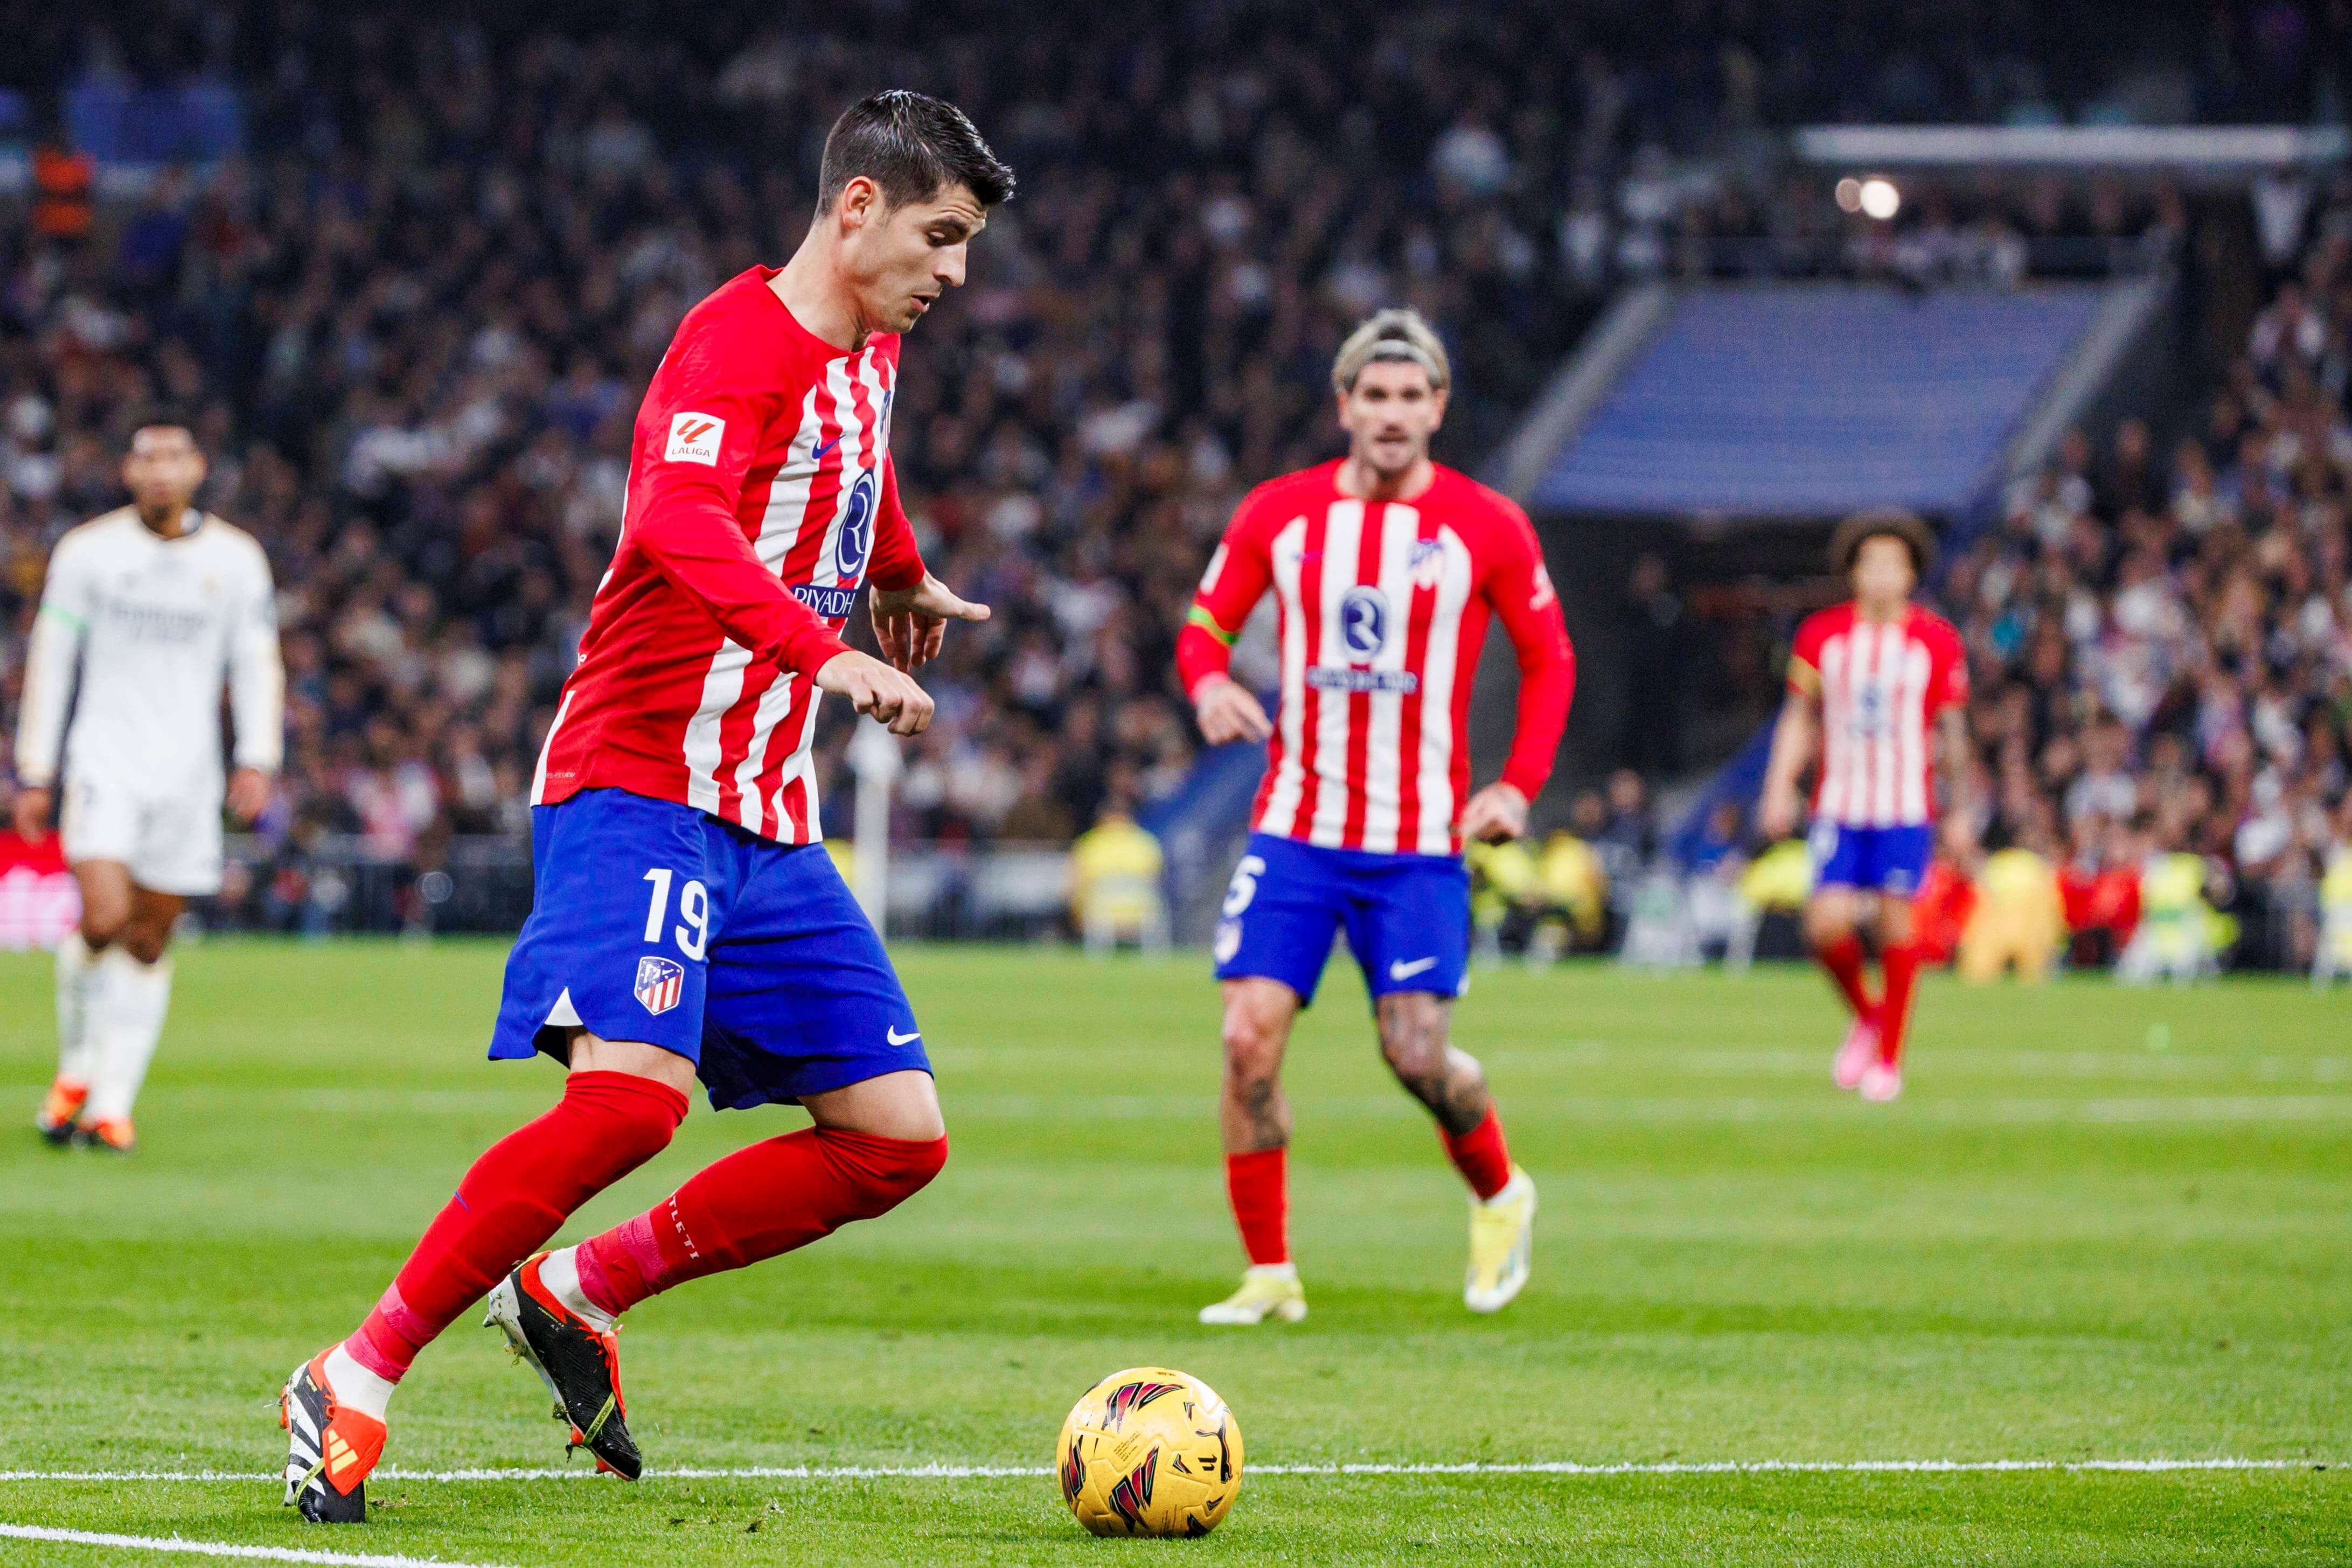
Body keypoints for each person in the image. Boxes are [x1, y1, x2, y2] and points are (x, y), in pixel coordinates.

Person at [279, 91, 1011, 1524]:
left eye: (967, 243)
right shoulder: (733, 343)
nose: (956, 271)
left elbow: (857, 465)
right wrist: (826, 652)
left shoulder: (873, 346)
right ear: (856, 207)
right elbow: (676, 521)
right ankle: (353, 1370)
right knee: (627, 1101)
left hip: (766, 812)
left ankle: (577, 1286)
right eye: (940, 235)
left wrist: (896, 569)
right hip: (640, 778)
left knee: (894, 1137)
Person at [1174, 308, 1576, 1324]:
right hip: (1296, 831)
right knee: (1246, 1039)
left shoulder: (1487, 524)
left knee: (1417, 1057)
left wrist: (1517, 785)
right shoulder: (1280, 512)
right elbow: (1204, 625)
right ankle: (1270, 1273)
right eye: (1375, 395)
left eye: (1411, 396)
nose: (1392, 413)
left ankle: (1500, 1190)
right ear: (1344, 405)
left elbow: (1549, 659)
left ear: (1437, 407)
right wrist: (1209, 683)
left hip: (1417, 845)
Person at [13, 421, 283, 1153]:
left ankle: (111, 1104)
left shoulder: (236, 560)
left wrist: (258, 756)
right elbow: (52, 659)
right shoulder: (87, 552)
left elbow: (256, 660)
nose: (161, 470)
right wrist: (36, 768)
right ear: (128, 471)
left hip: (188, 775)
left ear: (198, 468)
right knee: (103, 917)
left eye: (174, 457)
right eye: (146, 457)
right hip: (104, 760)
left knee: (146, 937)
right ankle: (77, 1068)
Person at [1757, 510, 1969, 1102]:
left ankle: (1889, 1060)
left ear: (1910, 574)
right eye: (1870, 563)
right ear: (1853, 573)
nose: (1880, 575)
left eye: (1892, 564)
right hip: (1839, 804)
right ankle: (1870, 1017)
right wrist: (1778, 786)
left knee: (1897, 924)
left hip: (1906, 805)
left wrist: (1960, 809)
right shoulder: (1821, 637)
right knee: (1824, 924)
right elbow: (1799, 717)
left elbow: (1953, 731)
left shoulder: (1935, 640)